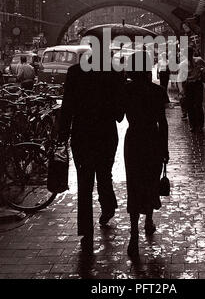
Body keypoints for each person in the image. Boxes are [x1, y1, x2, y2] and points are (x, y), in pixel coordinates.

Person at [58, 51, 124, 255]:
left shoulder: (74, 73)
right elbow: (120, 115)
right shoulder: (112, 75)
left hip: (82, 135)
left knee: (84, 182)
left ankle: (86, 230)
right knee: (104, 174)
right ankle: (108, 208)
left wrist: (62, 133)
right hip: (105, 134)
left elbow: (67, 106)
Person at [122, 51, 169, 258]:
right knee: (150, 180)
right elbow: (163, 121)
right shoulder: (157, 91)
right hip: (153, 139)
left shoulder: (126, 90)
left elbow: (117, 116)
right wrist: (165, 148)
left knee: (134, 183)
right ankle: (148, 220)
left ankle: (134, 235)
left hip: (133, 140)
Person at [181, 46, 205, 133]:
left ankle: (200, 125)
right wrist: (182, 89)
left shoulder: (199, 60)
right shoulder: (183, 64)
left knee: (198, 105)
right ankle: (192, 125)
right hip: (189, 85)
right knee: (190, 106)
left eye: (190, 53)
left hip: (197, 84)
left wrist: (202, 70)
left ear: (192, 53)